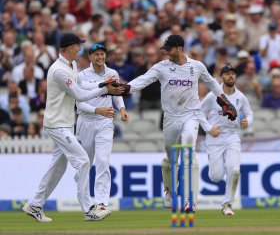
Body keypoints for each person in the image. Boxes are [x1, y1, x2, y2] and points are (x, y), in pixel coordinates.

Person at [125, 34, 237, 212]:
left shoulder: (197, 66)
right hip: (170, 118)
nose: (167, 52)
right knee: (171, 160)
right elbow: (143, 80)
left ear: (179, 48)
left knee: (188, 152)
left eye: (169, 49)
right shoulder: (162, 67)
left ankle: (189, 200)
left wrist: (225, 102)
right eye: (165, 49)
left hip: (190, 115)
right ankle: (169, 191)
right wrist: (127, 88)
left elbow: (212, 83)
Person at [22, 33, 125, 222]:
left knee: (57, 167)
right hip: (57, 124)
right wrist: (105, 90)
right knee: (84, 160)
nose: (80, 49)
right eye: (78, 46)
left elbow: (81, 86)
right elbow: (79, 95)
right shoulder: (58, 70)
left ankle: (35, 205)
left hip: (67, 124)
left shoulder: (72, 65)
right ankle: (89, 209)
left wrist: (103, 84)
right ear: (70, 48)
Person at [76, 44, 129, 211]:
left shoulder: (112, 73)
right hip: (85, 121)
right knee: (84, 164)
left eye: (102, 54)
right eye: (96, 54)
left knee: (103, 161)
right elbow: (79, 104)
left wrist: (122, 108)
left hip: (105, 121)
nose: (100, 57)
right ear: (90, 57)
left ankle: (101, 203)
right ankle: (85, 200)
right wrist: (97, 109)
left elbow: (117, 93)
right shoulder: (81, 76)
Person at [200, 64, 253, 215]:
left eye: (233, 74)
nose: (231, 76)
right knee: (216, 177)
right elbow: (199, 114)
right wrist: (209, 128)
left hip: (232, 137)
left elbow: (249, 113)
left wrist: (247, 122)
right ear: (221, 77)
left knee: (234, 170)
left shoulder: (240, 97)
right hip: (215, 138)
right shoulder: (212, 96)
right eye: (227, 74)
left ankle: (227, 204)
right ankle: (216, 169)